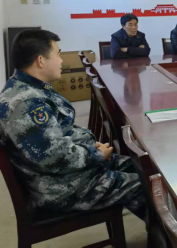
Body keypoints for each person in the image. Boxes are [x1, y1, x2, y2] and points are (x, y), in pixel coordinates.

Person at [0, 30, 146, 218]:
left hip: (69, 173)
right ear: (41, 61)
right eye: (58, 54)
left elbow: (58, 135)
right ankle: (165, 233)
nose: (61, 61)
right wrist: (95, 154)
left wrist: (89, 147)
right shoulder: (27, 104)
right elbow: (53, 156)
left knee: (144, 168)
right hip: (61, 188)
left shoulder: (29, 88)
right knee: (148, 186)